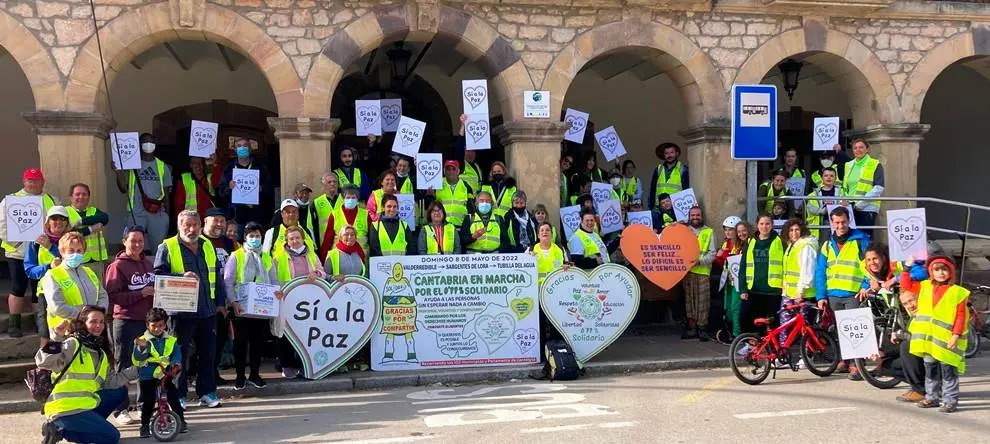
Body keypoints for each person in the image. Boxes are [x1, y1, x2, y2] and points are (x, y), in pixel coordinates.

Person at [154, 210, 226, 408]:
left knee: (208, 354)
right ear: (179, 225)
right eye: (187, 225)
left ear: (201, 225)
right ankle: (178, 396)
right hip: (179, 312)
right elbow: (158, 276)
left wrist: (220, 303)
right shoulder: (167, 246)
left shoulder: (207, 245)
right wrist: (180, 277)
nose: (192, 229)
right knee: (178, 355)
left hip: (207, 310)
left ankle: (207, 392)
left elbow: (216, 275)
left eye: (195, 225)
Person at [36, 305, 137, 444]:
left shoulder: (100, 352)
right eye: (93, 322)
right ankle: (60, 427)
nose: (98, 326)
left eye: (101, 322)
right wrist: (57, 337)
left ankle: (69, 429)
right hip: (64, 408)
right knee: (112, 437)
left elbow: (109, 382)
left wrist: (139, 369)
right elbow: (43, 362)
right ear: (83, 324)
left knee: (119, 391)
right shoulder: (73, 343)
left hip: (84, 405)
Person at [901, 256, 969, 413]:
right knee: (930, 369)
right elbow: (905, 285)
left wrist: (955, 335)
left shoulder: (958, 292)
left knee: (948, 371)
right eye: (937, 269)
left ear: (951, 272)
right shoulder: (924, 286)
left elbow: (961, 316)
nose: (941, 273)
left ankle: (950, 400)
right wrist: (907, 267)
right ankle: (931, 397)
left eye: (944, 269)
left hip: (947, 340)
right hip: (929, 340)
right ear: (931, 272)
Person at [104, 225, 155, 424]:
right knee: (123, 364)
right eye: (132, 240)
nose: (136, 244)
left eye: (140, 241)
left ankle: (144, 404)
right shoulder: (117, 266)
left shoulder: (149, 264)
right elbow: (113, 295)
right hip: (125, 321)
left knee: (146, 363)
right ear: (124, 241)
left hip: (147, 323)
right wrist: (140, 294)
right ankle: (121, 409)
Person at [0, 168, 59, 337]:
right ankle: (14, 323)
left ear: (43, 181)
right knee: (17, 287)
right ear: (24, 181)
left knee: (37, 290)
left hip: (41, 254)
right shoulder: (11, 200)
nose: (33, 183)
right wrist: (17, 240)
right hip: (17, 253)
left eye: (36, 180)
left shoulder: (51, 200)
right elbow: (2, 225)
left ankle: (37, 320)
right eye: (30, 180)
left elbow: (57, 224)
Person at [815, 206, 870, 379]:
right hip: (833, 294)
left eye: (844, 222)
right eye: (837, 222)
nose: (841, 226)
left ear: (849, 221)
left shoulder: (861, 240)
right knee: (840, 330)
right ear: (832, 223)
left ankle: (856, 364)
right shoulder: (827, 244)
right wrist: (821, 296)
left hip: (854, 293)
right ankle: (845, 360)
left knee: (855, 329)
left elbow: (870, 265)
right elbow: (820, 272)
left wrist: (865, 285)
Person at [222, 222, 273, 390]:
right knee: (240, 343)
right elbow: (228, 282)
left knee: (258, 342)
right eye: (251, 236)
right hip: (241, 308)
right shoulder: (236, 256)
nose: (254, 239)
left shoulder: (266, 256)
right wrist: (233, 301)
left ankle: (255, 374)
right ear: (245, 237)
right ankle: (240, 376)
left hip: (261, 307)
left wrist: (277, 294)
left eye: (258, 236)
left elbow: (273, 280)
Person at [271, 226, 325, 378]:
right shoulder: (278, 257)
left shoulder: (311, 254)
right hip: (287, 301)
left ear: (302, 239)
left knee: (307, 334)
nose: (295, 241)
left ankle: (304, 365)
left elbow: (322, 271)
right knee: (287, 334)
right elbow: (274, 278)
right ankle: (287, 365)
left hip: (309, 302)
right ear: (287, 241)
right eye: (291, 239)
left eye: (297, 238)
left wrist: (316, 273)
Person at [131, 308, 186, 438]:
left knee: (173, 397)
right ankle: (144, 425)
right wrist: (142, 348)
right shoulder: (142, 340)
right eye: (153, 326)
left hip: (164, 374)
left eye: (160, 325)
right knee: (148, 400)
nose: (157, 329)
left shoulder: (171, 340)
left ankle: (181, 420)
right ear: (147, 325)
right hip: (147, 375)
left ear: (165, 325)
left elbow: (176, 354)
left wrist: (176, 363)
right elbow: (137, 358)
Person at [25, 207, 74, 345]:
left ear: (67, 222)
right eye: (54, 218)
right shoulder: (35, 242)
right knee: (45, 329)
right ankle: (45, 364)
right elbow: (30, 270)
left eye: (62, 219)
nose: (58, 222)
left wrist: (51, 248)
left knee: (69, 329)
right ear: (47, 222)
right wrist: (48, 267)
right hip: (45, 292)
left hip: (70, 290)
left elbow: (74, 261)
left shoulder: (73, 239)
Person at [114, 133, 171, 251]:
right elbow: (123, 189)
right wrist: (118, 172)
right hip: (136, 212)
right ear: (139, 145)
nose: (148, 145)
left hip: (157, 212)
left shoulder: (162, 166)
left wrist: (168, 215)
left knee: (159, 248)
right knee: (133, 246)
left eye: (151, 142)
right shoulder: (131, 165)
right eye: (145, 142)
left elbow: (166, 193)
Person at [202, 207, 236, 386]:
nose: (220, 224)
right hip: (205, 298)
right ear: (206, 221)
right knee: (206, 341)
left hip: (225, 296)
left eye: (222, 221)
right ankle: (204, 375)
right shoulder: (198, 241)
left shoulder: (228, 243)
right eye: (216, 220)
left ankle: (213, 372)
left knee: (221, 337)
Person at [779, 218, 819, 361]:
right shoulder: (791, 246)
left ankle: (807, 356)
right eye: (791, 230)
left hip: (803, 294)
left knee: (805, 327)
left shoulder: (806, 246)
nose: (794, 233)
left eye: (797, 230)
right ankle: (783, 355)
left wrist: (800, 291)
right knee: (784, 325)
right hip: (790, 293)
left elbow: (807, 270)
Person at [739, 214, 784, 335]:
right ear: (757, 225)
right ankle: (753, 346)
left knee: (773, 323)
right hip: (754, 289)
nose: (764, 227)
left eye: (767, 224)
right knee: (752, 320)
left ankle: (772, 350)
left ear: (772, 225)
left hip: (773, 290)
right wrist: (743, 289)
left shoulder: (780, 241)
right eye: (762, 224)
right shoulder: (750, 241)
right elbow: (743, 266)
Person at [222, 137, 273, 236]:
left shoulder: (260, 167)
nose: (242, 148)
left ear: (250, 149)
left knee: (255, 242)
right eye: (239, 146)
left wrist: (261, 188)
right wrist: (229, 187)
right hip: (236, 216)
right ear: (235, 150)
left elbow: (270, 188)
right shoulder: (229, 168)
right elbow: (221, 192)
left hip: (257, 215)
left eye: (245, 146)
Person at [682, 206, 716, 341]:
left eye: (698, 215)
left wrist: (699, 261)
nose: (695, 217)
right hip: (687, 272)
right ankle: (692, 328)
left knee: (703, 302)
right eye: (693, 215)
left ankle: (702, 328)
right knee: (689, 302)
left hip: (702, 272)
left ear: (702, 216)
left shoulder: (708, 232)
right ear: (689, 216)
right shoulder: (684, 231)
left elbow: (712, 253)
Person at [890, 288, 928, 403]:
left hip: (935, 361)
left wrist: (901, 335)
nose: (910, 306)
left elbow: (918, 340)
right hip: (923, 356)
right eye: (905, 304)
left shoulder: (927, 313)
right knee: (885, 365)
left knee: (906, 346)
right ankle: (922, 386)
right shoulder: (913, 318)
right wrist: (882, 354)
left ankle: (921, 390)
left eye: (912, 300)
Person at [842, 138, 884, 235]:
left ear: (867, 149)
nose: (858, 150)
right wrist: (844, 201)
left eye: (861, 147)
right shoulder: (848, 165)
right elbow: (845, 187)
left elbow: (879, 188)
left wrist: (859, 204)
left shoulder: (875, 164)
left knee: (864, 238)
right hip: (849, 207)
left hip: (867, 208)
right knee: (850, 238)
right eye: (855, 148)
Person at [65, 183, 110, 271]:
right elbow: (69, 234)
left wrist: (81, 221)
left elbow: (104, 218)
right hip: (76, 260)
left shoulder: (94, 211)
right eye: (77, 194)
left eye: (84, 194)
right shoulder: (65, 212)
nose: (81, 197)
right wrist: (90, 229)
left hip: (97, 260)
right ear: (71, 197)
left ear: (89, 197)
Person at [321, 185, 370, 258]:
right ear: (343, 199)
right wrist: (323, 259)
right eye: (348, 197)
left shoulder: (365, 214)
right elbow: (328, 240)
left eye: (353, 198)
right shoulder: (335, 214)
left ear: (357, 199)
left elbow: (372, 238)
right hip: (339, 256)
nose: (350, 200)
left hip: (361, 256)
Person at [271, 183, 321, 249]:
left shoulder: (312, 211)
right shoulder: (281, 212)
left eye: (307, 193)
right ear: (295, 195)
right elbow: (273, 232)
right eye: (301, 193)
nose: (305, 195)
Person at [648, 142, 688, 211]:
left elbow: (686, 190)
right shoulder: (658, 169)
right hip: (660, 208)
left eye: (671, 152)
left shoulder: (683, 169)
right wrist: (651, 207)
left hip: (676, 208)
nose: (669, 155)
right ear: (664, 155)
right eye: (666, 153)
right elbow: (652, 190)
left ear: (677, 153)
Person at [805, 167, 842, 240]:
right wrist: (824, 210)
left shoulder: (842, 192)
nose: (829, 178)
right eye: (826, 176)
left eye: (831, 176)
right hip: (820, 226)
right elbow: (811, 209)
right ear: (822, 177)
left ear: (835, 178)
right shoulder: (813, 194)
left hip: (837, 225)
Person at [434, 160, 473, 227]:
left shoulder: (466, 186)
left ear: (458, 171)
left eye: (453, 169)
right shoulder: (437, 184)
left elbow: (471, 208)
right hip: (441, 226)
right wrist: (429, 195)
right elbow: (430, 205)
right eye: (448, 169)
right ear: (444, 171)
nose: (450, 172)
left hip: (461, 227)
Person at [313, 172, 342, 245]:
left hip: (342, 240)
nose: (332, 184)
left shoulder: (344, 200)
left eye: (335, 182)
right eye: (329, 182)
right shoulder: (316, 202)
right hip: (324, 242)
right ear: (324, 184)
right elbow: (313, 225)